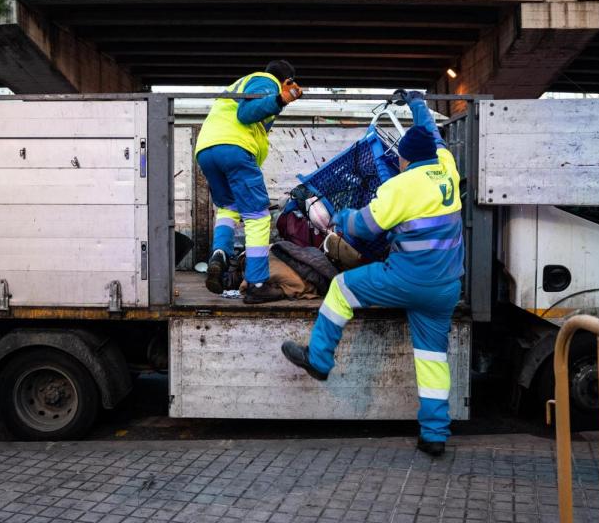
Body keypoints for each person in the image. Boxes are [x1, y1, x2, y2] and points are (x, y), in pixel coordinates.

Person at [280, 89, 463, 457]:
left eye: (400, 160)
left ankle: (318, 360)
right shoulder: (447, 167)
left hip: (407, 280)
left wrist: (338, 217)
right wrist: (416, 104)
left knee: (342, 288)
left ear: (405, 160)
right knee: (432, 360)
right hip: (446, 287)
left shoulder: (402, 185)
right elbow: (433, 134)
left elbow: (363, 227)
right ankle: (434, 435)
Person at [195, 61, 303, 303]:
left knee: (228, 208)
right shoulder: (267, 82)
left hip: (207, 151)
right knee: (257, 216)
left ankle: (219, 256)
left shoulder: (239, 84)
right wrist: (281, 99)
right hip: (234, 149)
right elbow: (246, 114)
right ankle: (256, 284)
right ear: (286, 80)